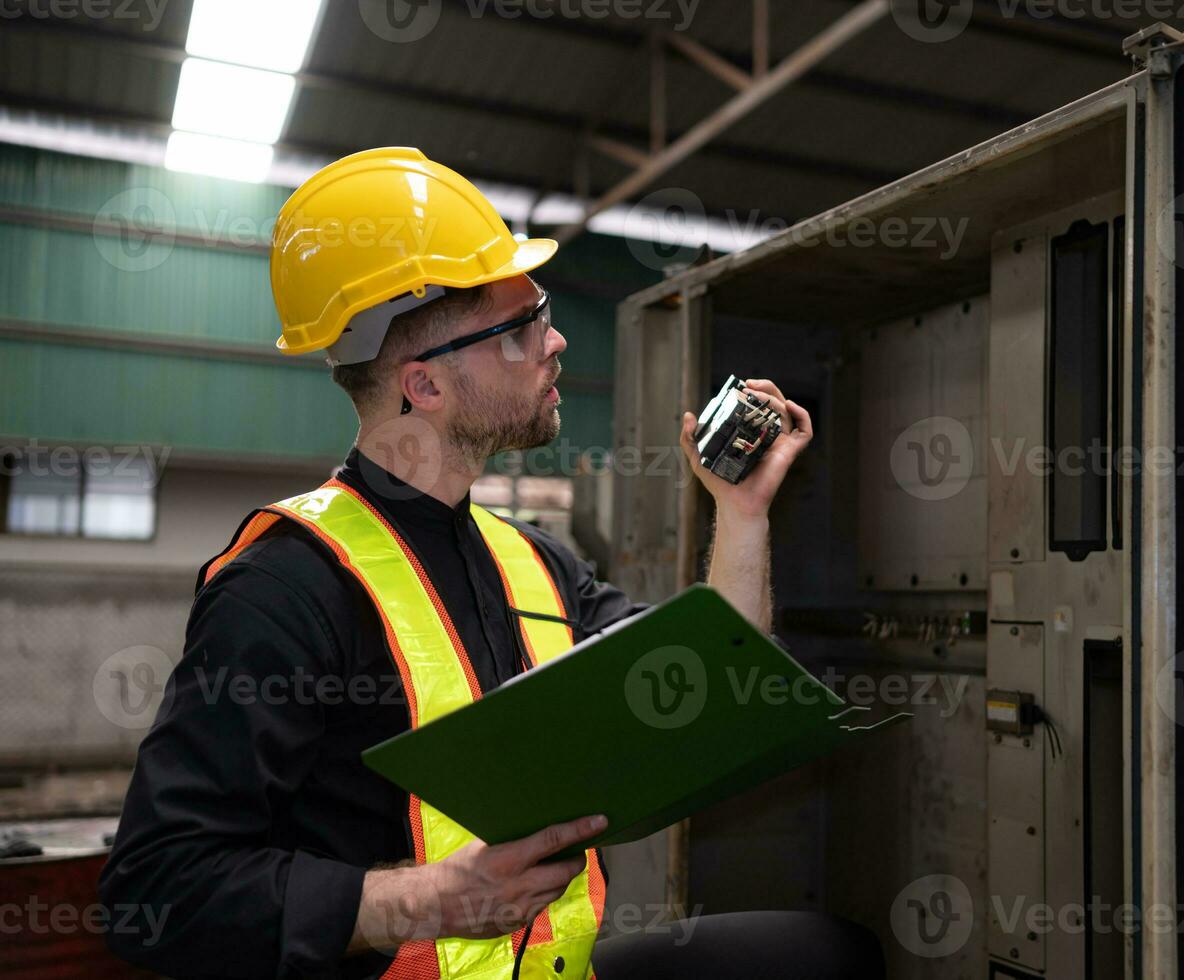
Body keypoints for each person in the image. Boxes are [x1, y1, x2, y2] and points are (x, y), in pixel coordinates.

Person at [97, 148, 882, 979]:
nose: (555, 340)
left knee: (824, 954)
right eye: (521, 326)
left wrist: (742, 511)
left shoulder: (533, 564)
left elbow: (712, 682)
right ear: (425, 387)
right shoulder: (284, 589)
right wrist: (426, 901)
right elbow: (155, 892)